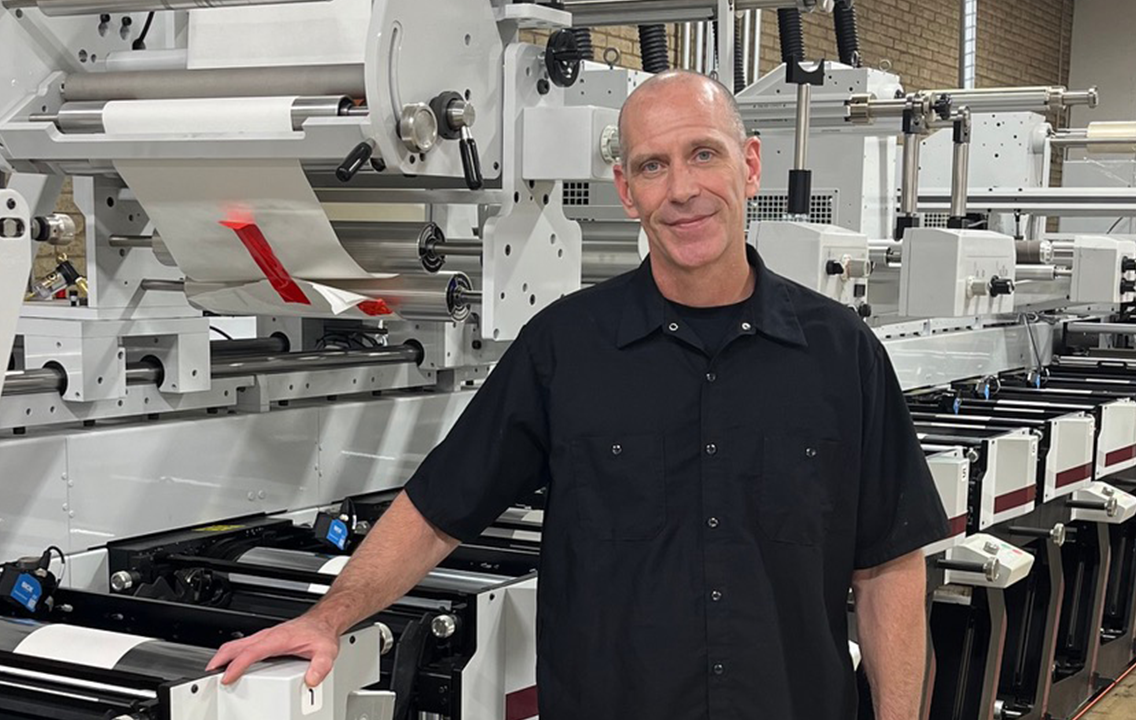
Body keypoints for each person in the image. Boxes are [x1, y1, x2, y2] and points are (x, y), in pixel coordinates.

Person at [207, 69, 950, 720]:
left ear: (749, 165)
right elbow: (441, 506)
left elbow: (889, 565)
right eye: (652, 166)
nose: (683, 189)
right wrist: (329, 618)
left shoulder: (841, 354)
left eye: (703, 155)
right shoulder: (566, 349)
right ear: (626, 191)